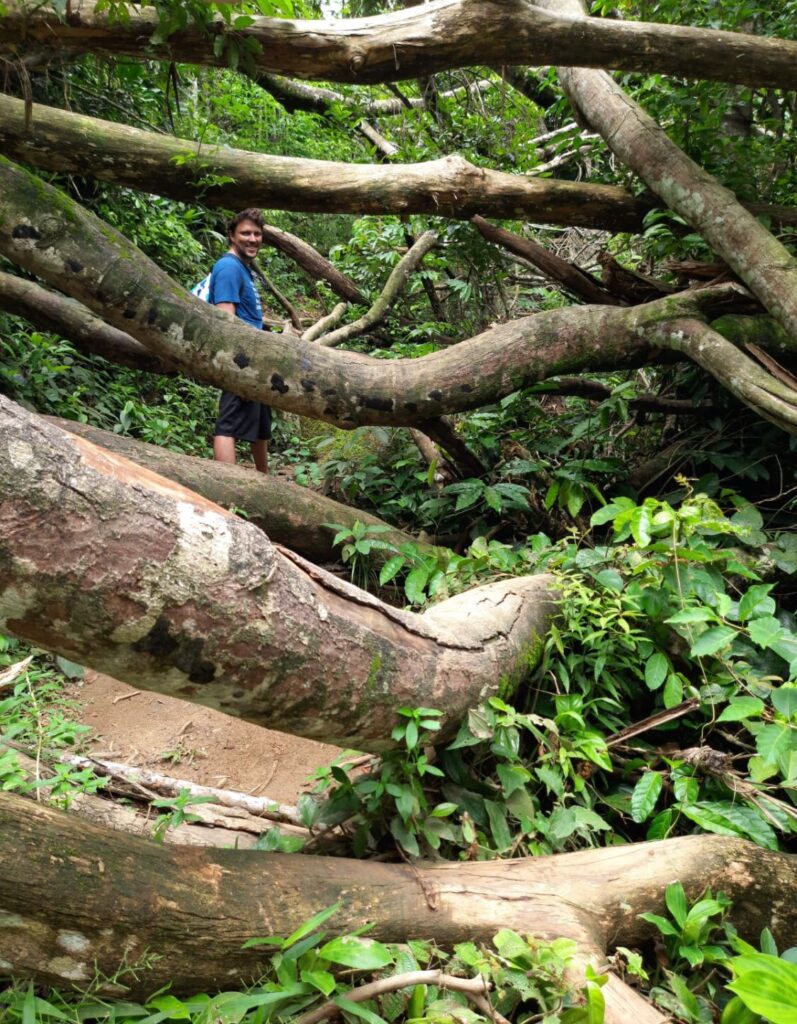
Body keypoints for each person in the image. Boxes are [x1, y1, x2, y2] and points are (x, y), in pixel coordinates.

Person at [211, 208, 271, 474]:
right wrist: (237, 362)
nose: (252, 239)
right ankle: (229, 489)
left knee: (260, 424)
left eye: (257, 234)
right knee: (229, 424)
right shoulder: (228, 267)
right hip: (240, 358)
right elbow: (226, 319)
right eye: (245, 233)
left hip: (256, 358)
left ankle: (264, 479)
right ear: (232, 236)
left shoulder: (243, 269)